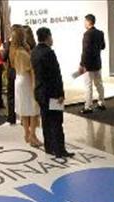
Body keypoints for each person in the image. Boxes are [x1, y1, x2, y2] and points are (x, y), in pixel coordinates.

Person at [31, 27, 73, 158]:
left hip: (40, 92)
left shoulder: (34, 52)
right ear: (48, 37)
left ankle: (49, 147)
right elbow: (55, 76)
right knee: (56, 121)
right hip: (52, 93)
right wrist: (60, 94)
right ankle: (59, 150)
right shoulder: (49, 53)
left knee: (46, 121)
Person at [10, 26, 42, 147]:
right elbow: (31, 70)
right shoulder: (22, 53)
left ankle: (26, 133)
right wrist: (35, 85)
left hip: (19, 79)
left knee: (23, 107)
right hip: (26, 80)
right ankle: (32, 135)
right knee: (33, 108)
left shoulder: (13, 51)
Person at [78, 14, 106, 114]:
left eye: (85, 21)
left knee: (88, 86)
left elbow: (85, 51)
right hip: (97, 62)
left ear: (88, 22)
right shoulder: (100, 33)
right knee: (99, 84)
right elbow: (103, 46)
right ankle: (101, 102)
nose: (84, 23)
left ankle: (88, 106)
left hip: (88, 65)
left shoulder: (87, 34)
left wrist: (82, 64)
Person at [3, 24, 22, 125]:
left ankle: (11, 117)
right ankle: (24, 118)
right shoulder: (24, 44)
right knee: (22, 95)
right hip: (22, 72)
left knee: (11, 96)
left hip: (12, 72)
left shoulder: (9, 44)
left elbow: (4, 57)